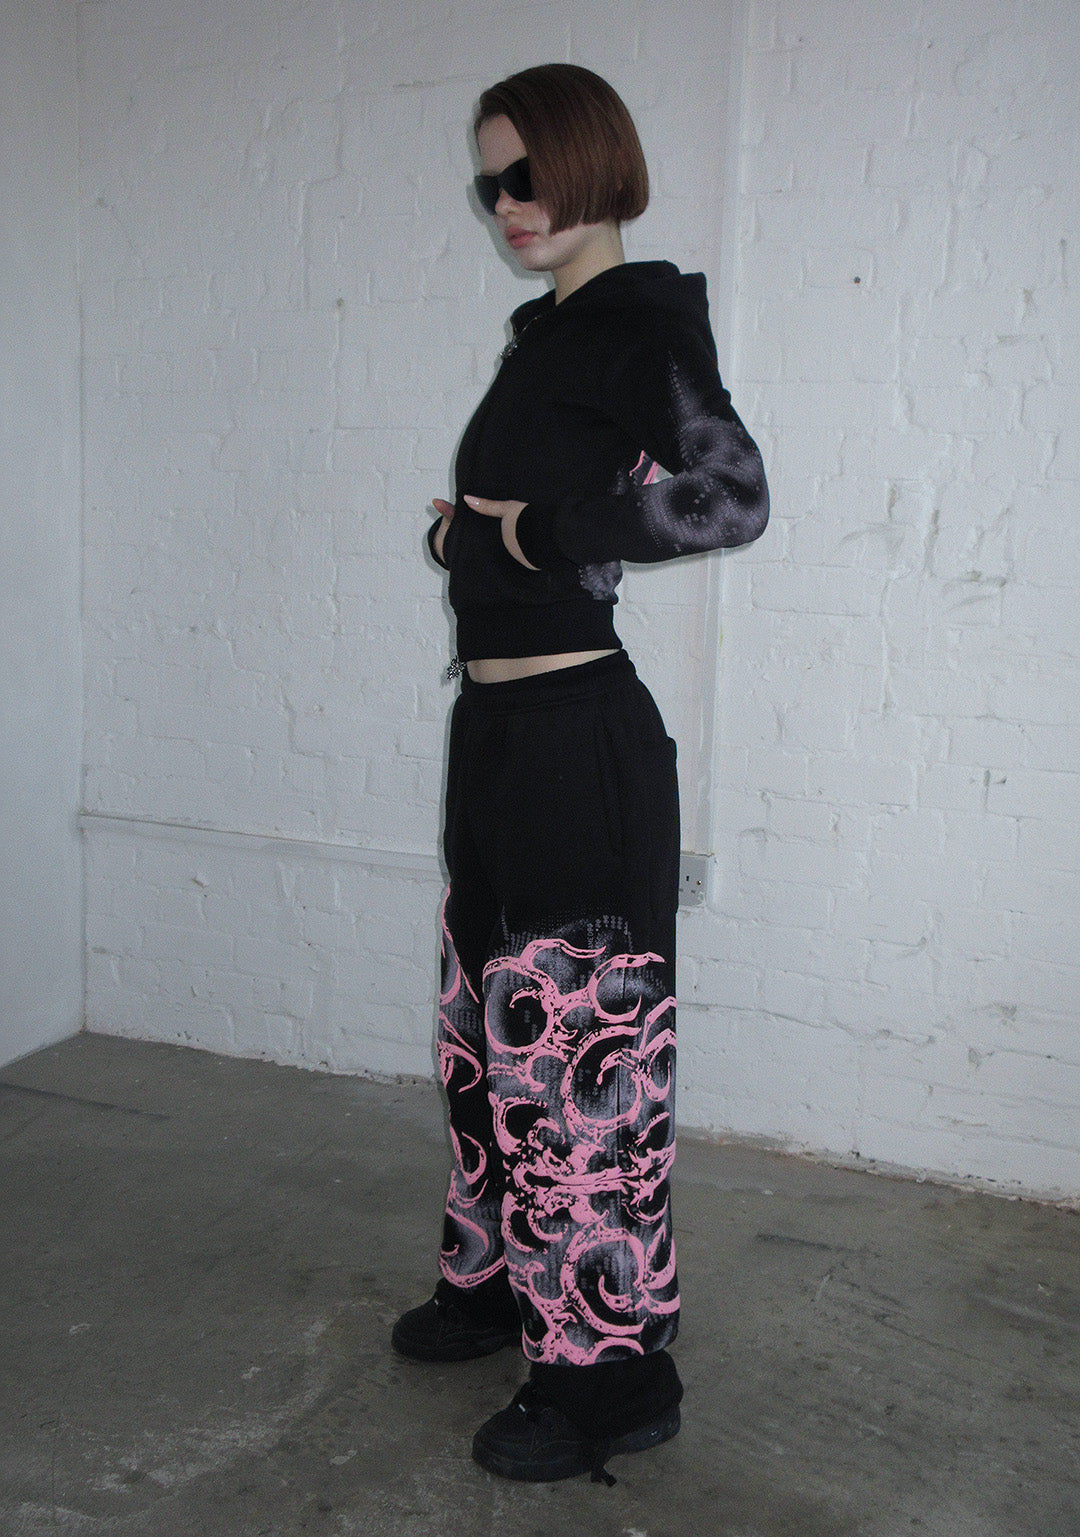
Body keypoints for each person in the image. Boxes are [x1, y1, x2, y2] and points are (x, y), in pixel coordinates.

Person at [391, 63, 769, 1485]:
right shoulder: (544, 335)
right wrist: (473, 540)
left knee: (577, 1066)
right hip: (499, 738)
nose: (508, 203)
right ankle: (500, 1283)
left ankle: (611, 1375)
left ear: (593, 164)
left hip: (577, 747)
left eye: (527, 174)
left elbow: (727, 494)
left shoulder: (636, 324)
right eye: (489, 181)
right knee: (486, 1040)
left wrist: (531, 536)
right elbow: (536, 521)